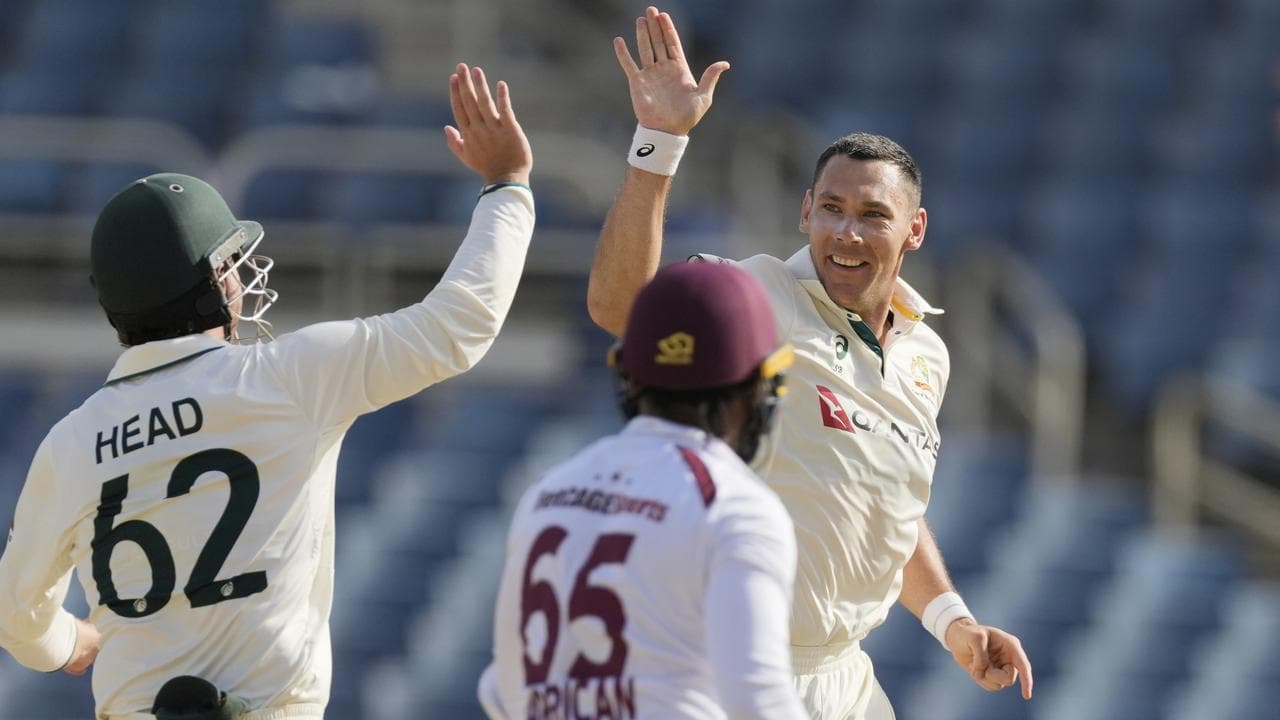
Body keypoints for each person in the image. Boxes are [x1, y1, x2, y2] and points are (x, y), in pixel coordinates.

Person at [0, 63, 534, 720]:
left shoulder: (72, 443)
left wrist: (67, 641)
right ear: (217, 282)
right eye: (232, 264)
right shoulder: (290, 377)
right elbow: (459, 325)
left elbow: (16, 617)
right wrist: (507, 186)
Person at [585, 7, 1034, 719]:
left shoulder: (926, 351)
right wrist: (659, 143)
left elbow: (884, 500)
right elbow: (620, 310)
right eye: (830, 208)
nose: (846, 233)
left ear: (914, 229)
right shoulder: (751, 296)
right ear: (804, 214)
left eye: (873, 215)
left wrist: (955, 624)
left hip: (843, 674)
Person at [479, 261, 808, 719]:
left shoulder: (548, 492)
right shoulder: (736, 507)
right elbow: (759, 702)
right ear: (758, 388)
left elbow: (502, 691)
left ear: (628, 377)